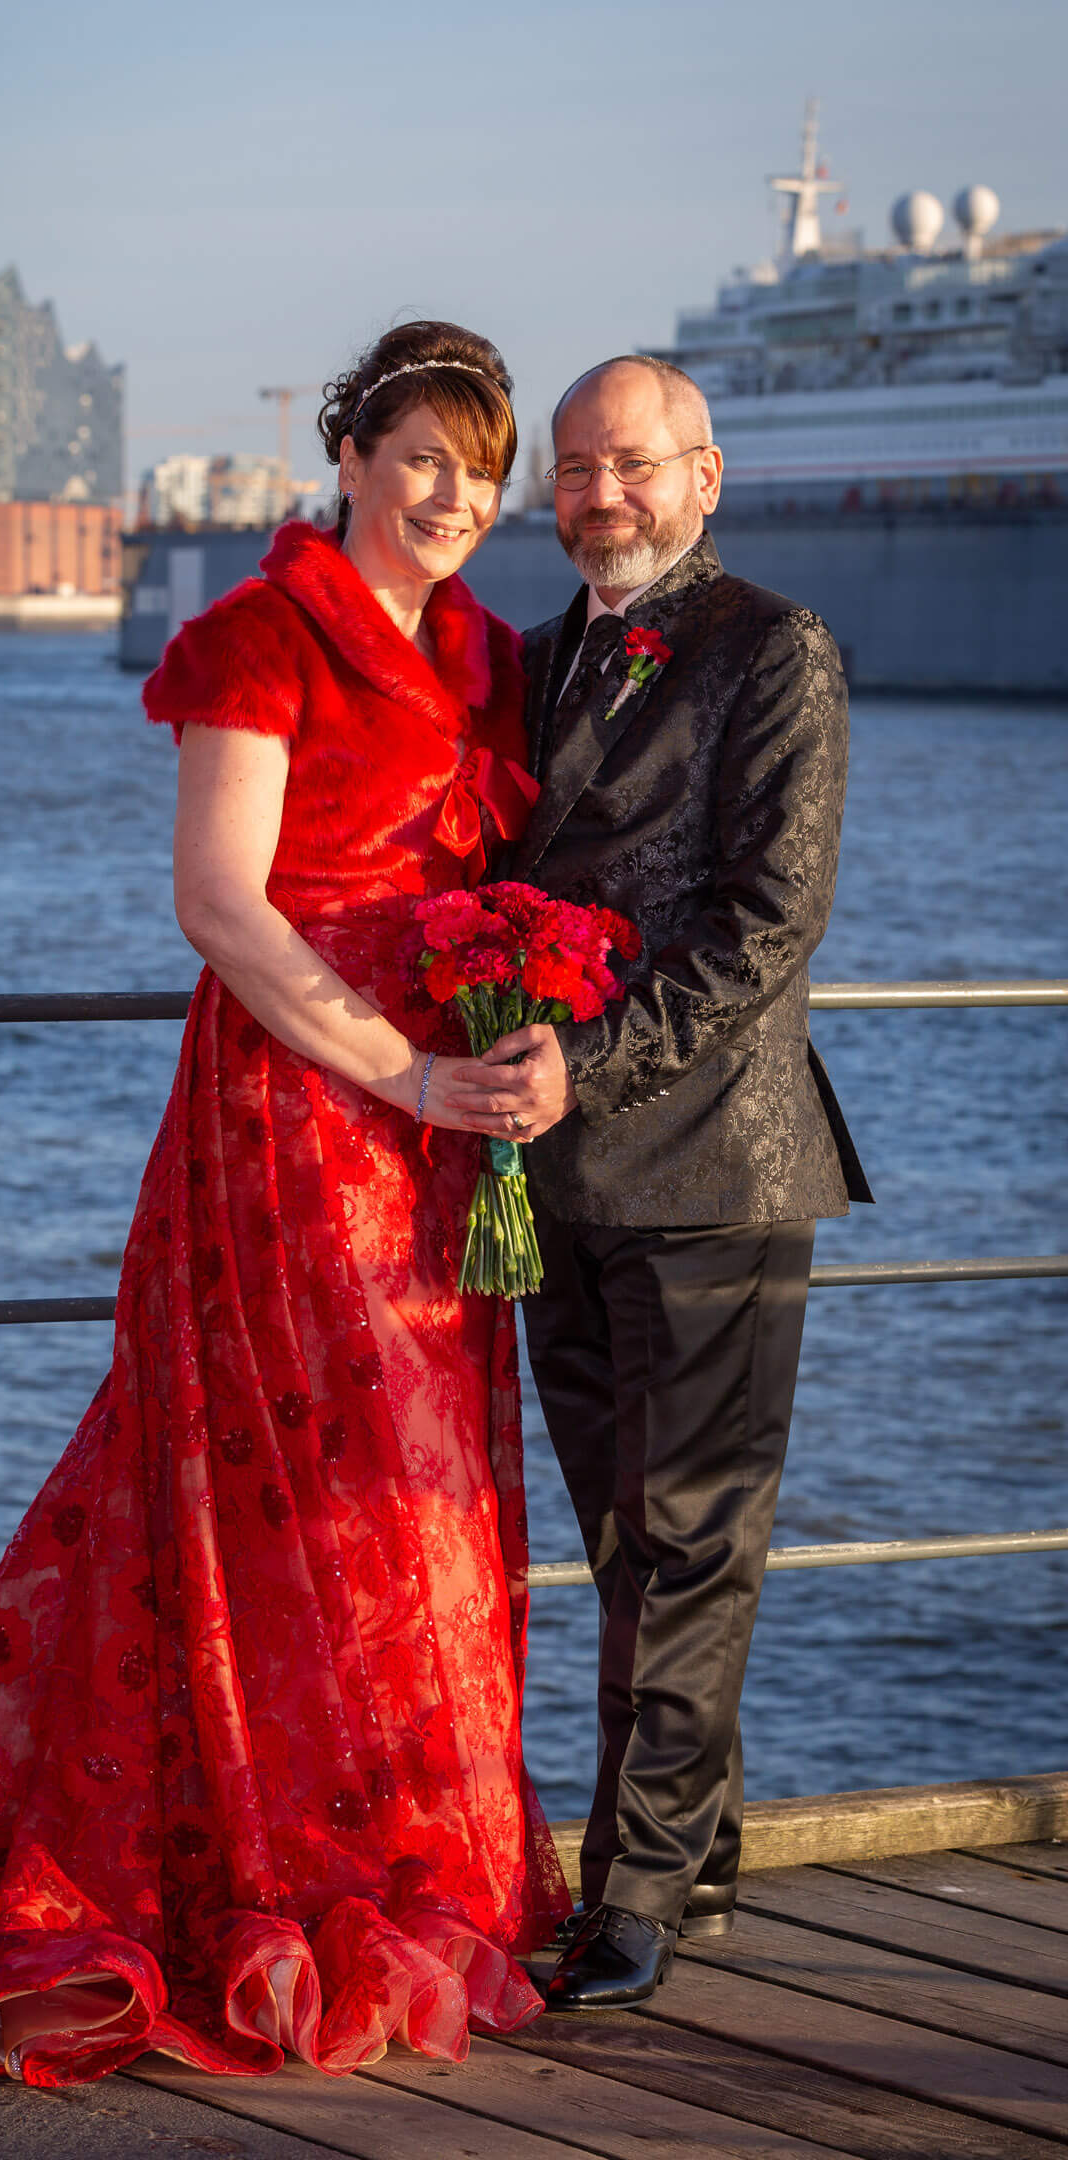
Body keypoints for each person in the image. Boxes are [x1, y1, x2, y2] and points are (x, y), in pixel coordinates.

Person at [0, 321, 570, 2086]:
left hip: (445, 1124)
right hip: (299, 1113)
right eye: (420, 458)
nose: (454, 496)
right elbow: (222, 906)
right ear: (350, 461)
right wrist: (396, 1067)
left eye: (482, 465)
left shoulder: (482, 653)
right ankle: (264, 1852)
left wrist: (515, 1037)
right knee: (282, 1477)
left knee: (414, 1497)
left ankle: (408, 1844)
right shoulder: (262, 634)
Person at [444, 354, 871, 2010]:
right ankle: (704, 1849)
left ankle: (631, 1898)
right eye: (570, 471)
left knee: (691, 1538)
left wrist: (579, 1063)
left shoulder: (776, 648)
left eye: (629, 465)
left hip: (714, 1166)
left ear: (706, 475)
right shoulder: (535, 656)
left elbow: (769, 919)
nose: (596, 496)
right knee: (626, 1541)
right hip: (551, 1183)